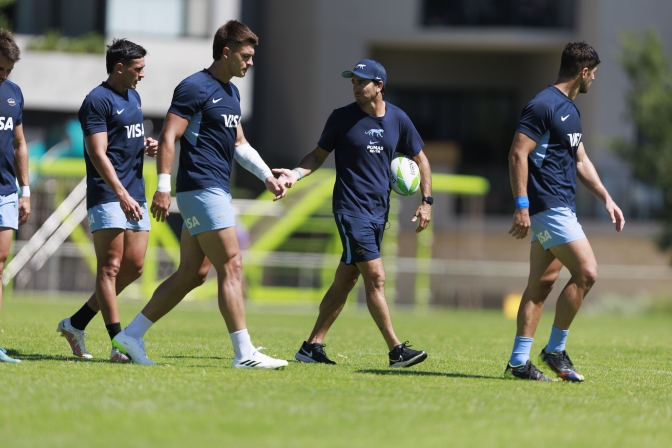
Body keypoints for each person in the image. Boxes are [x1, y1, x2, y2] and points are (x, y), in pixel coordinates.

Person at [112, 20, 288, 369]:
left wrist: (268, 176)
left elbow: (240, 144)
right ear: (226, 52)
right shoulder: (194, 87)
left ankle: (130, 336)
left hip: (213, 189)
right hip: (201, 188)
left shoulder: (232, 93)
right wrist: (163, 188)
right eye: (246, 56)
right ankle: (245, 354)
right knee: (232, 264)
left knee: (193, 273)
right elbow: (167, 137)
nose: (251, 63)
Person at [274, 59, 433, 367]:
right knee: (376, 276)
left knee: (345, 281)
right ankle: (396, 350)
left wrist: (427, 201)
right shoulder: (341, 118)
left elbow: (421, 160)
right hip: (350, 211)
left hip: (378, 214)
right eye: (353, 82)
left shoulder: (398, 119)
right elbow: (317, 155)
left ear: (379, 86)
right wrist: (295, 173)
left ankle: (311, 347)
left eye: (362, 81)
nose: (356, 87)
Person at [505, 42, 625, 382]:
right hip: (548, 206)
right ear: (584, 72)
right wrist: (522, 205)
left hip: (561, 206)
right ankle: (555, 350)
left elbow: (581, 160)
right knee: (587, 272)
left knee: (540, 286)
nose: (594, 81)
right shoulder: (543, 105)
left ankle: (518, 363)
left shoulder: (570, 109)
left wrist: (606, 198)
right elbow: (517, 154)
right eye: (595, 74)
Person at [56, 39, 158, 362]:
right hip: (109, 193)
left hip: (135, 193)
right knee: (110, 267)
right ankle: (119, 343)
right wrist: (121, 193)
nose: (143, 74)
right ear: (119, 68)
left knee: (134, 267)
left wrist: (145, 145)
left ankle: (77, 323)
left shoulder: (135, 97)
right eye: (138, 69)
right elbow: (97, 153)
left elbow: (123, 140)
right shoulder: (96, 101)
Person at [0, 30, 29, 364]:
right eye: (0, 68)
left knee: (0, 262)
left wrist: (26, 191)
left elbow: (20, 144)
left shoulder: (13, 94)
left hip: (7, 190)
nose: (4, 75)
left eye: (8, 69)